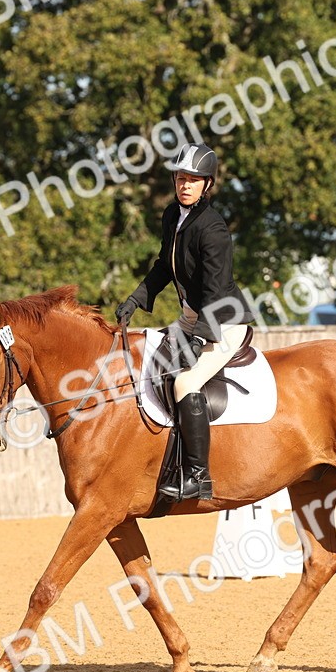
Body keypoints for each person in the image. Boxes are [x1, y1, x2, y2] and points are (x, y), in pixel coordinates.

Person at [116, 142, 254, 501]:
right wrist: (138, 296)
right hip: (192, 319)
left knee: (185, 383)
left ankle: (198, 475)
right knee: (149, 363)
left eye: (193, 180)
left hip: (224, 322)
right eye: (180, 179)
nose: (185, 185)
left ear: (207, 184)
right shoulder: (171, 217)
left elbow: (216, 289)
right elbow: (165, 265)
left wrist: (199, 339)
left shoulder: (213, 229)